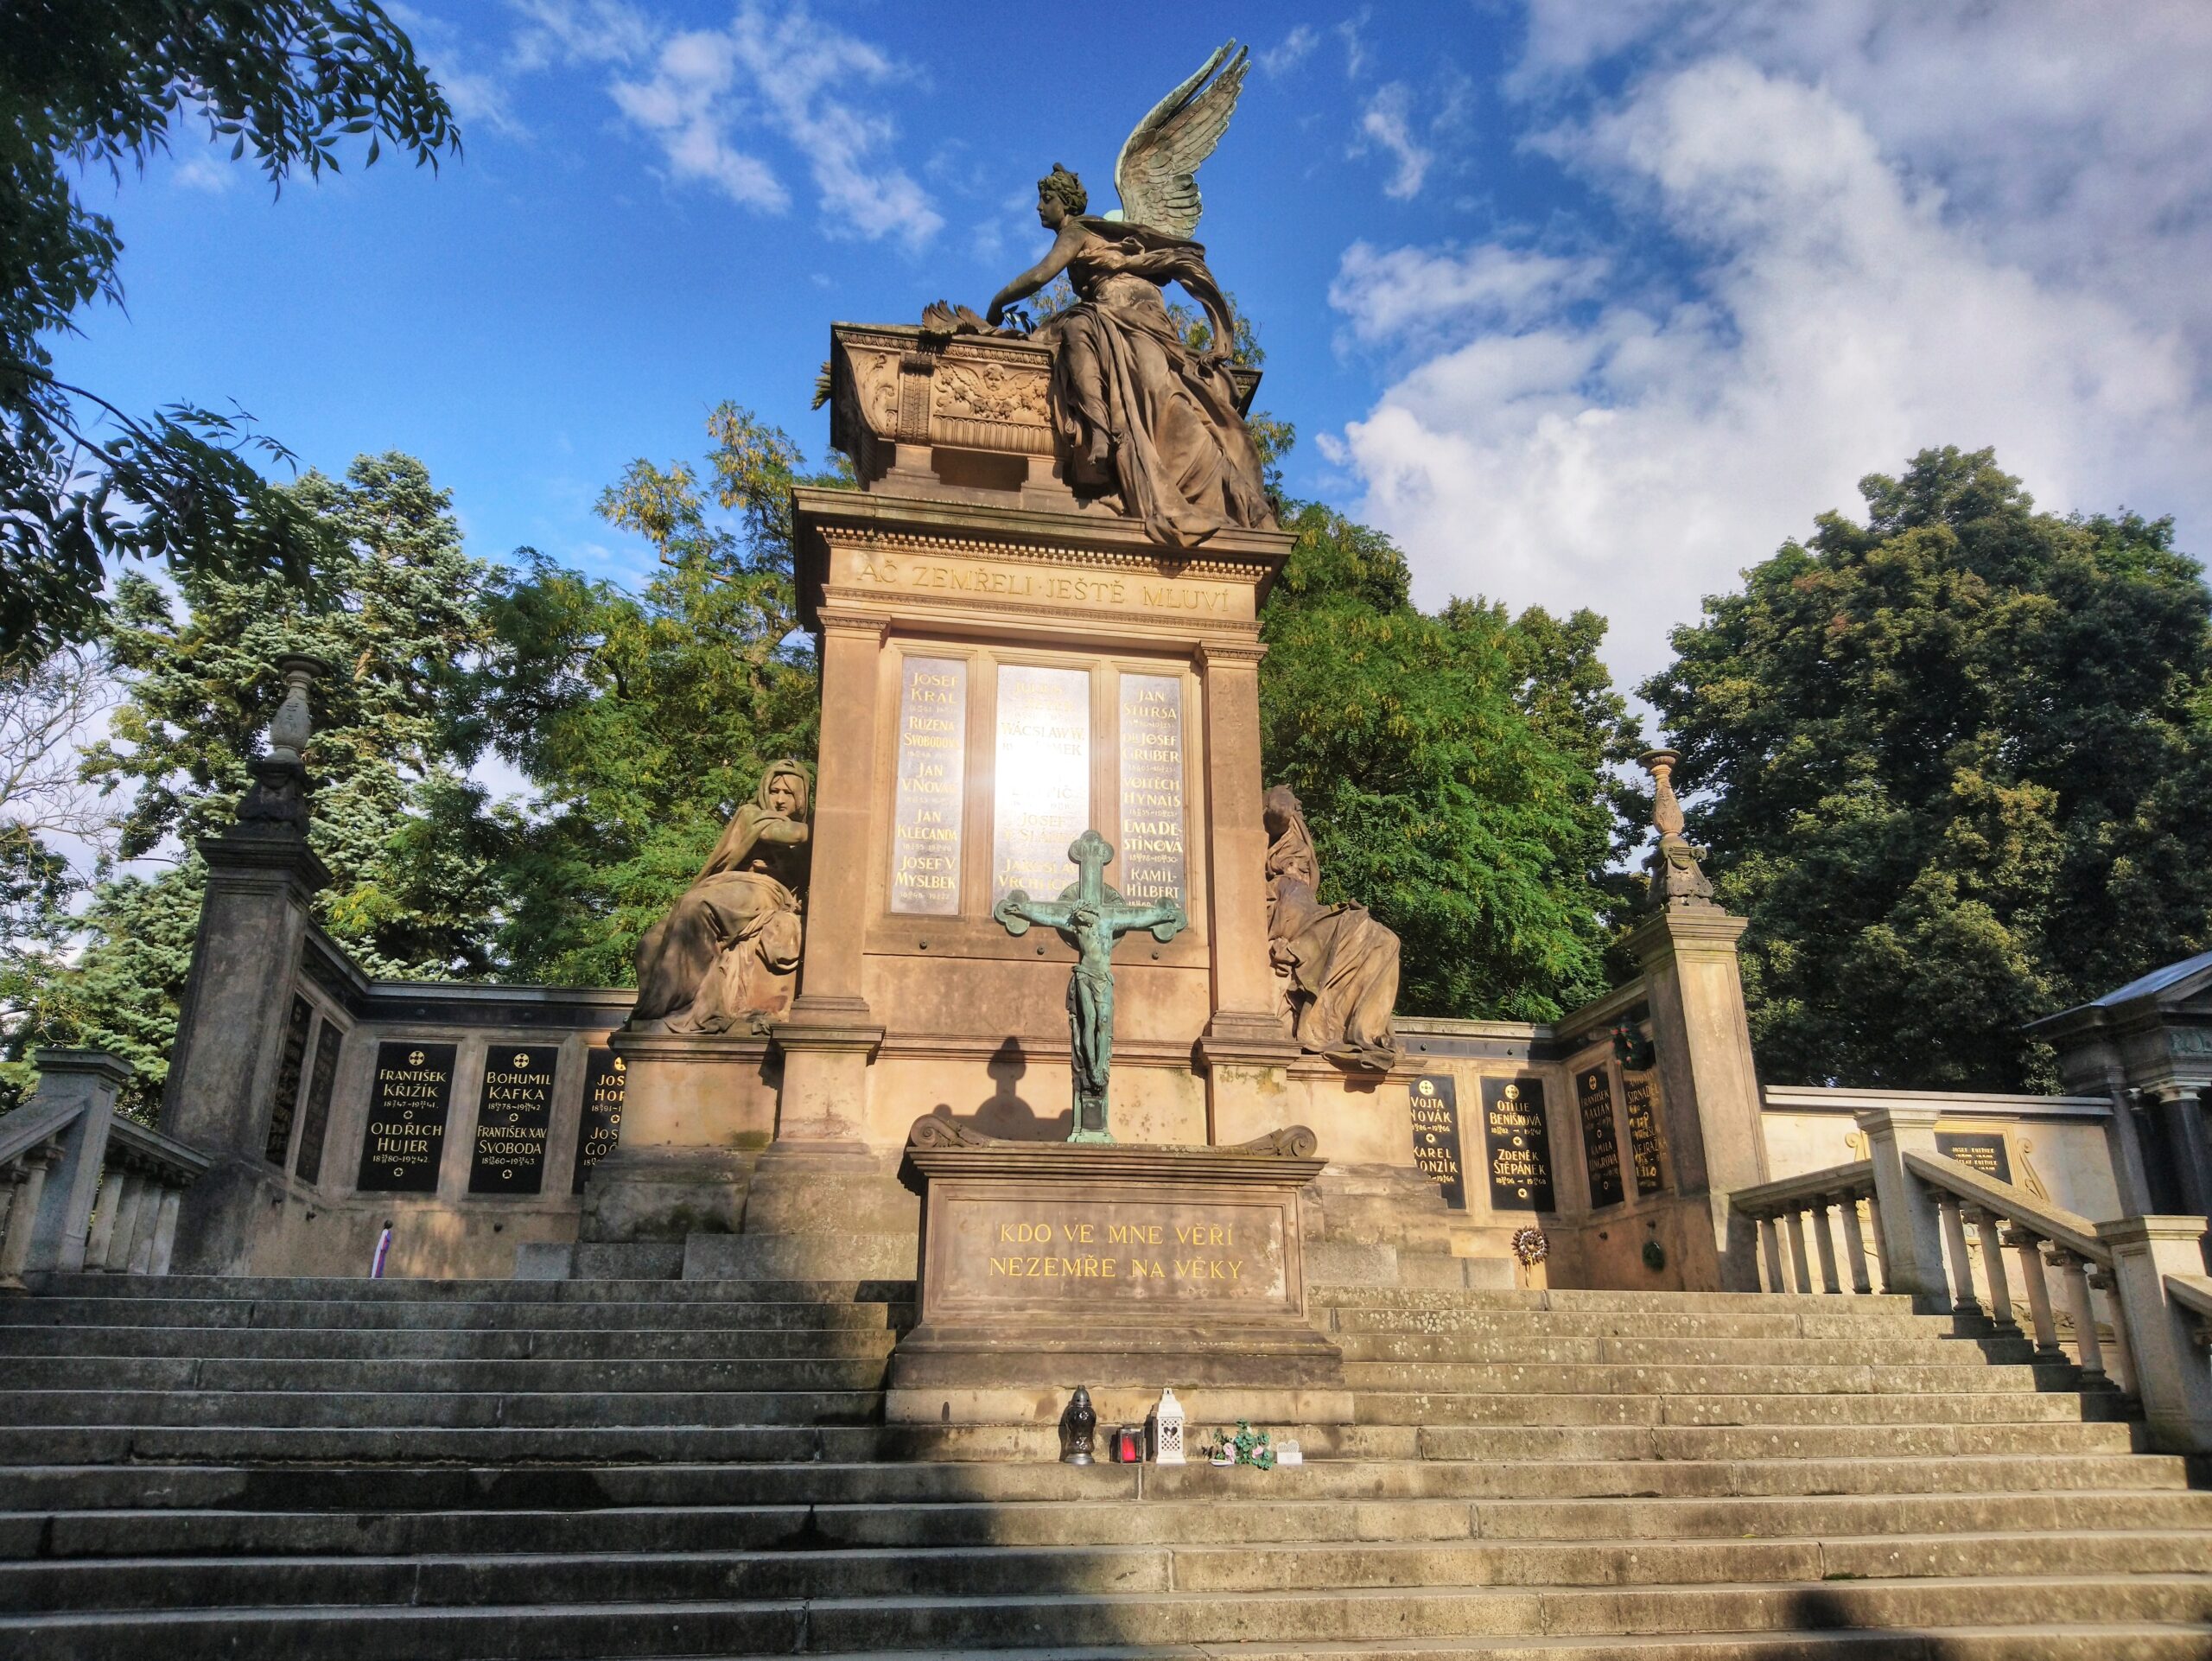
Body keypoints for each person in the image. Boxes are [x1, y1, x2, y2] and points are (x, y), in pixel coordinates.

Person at [984, 164, 1275, 550]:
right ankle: (1119, 441)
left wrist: (997, 302)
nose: (1040, 207)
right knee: (1145, 380)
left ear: (1064, 203)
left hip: (1122, 310)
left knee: (1077, 329)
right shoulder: (1099, 234)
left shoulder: (1078, 231)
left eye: (1046, 199)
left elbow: (1040, 276)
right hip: (1142, 314)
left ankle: (1101, 431)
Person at [628, 761, 810, 1034]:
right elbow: (785, 833)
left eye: (788, 793)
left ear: (801, 797)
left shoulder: (808, 829)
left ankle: (676, 1006)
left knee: (695, 905)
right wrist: (829, 826)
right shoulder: (752, 814)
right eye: (774, 791)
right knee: (651, 942)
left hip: (765, 890)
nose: (780, 799)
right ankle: (665, 1011)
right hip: (730, 882)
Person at [1263, 785, 1402, 1071]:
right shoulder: (1275, 821)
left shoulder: (1299, 850)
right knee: (1370, 933)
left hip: (1304, 902)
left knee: (1385, 939)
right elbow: (1278, 813)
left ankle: (1362, 1034)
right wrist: (1282, 799)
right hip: (1288, 899)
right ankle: (1349, 1028)